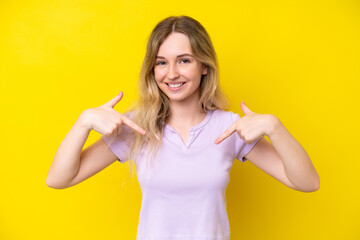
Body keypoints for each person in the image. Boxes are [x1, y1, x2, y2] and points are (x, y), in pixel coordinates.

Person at [46, 15, 320, 240]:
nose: (172, 73)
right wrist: (83, 122)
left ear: (204, 66)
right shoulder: (137, 128)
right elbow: (58, 179)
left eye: (184, 60)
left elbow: (308, 182)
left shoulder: (230, 128)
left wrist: (275, 127)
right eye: (161, 62)